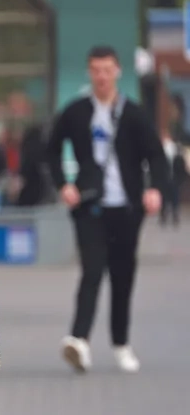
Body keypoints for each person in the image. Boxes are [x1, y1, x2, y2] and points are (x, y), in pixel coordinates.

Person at [46, 45, 168, 374]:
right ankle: (79, 340)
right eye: (96, 70)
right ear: (90, 72)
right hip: (90, 206)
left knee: (123, 275)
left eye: (107, 70)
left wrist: (154, 189)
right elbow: (51, 149)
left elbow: (156, 155)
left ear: (117, 72)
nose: (101, 77)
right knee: (92, 269)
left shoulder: (133, 114)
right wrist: (63, 185)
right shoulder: (76, 112)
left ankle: (121, 343)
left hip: (127, 208)